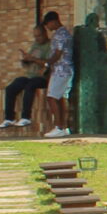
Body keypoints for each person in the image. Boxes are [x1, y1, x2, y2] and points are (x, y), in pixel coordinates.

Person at [0, 20, 50, 129]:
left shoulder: (49, 46)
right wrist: (26, 59)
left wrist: (33, 58)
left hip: (42, 77)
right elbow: (30, 60)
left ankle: (26, 117)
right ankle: (9, 118)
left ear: (45, 34)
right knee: (11, 88)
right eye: (35, 36)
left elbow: (48, 63)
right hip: (30, 75)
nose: (37, 39)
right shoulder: (35, 45)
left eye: (39, 36)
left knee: (30, 86)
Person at [40, 10, 76, 138]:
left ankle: (58, 126)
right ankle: (64, 127)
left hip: (61, 70)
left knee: (51, 97)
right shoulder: (65, 33)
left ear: (54, 21)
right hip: (67, 70)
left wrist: (46, 65)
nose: (47, 27)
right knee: (61, 98)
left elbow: (57, 53)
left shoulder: (60, 35)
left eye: (47, 24)